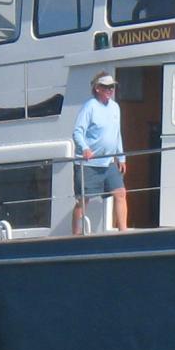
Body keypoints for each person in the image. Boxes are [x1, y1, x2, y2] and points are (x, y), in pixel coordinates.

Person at [68, 71, 126, 233]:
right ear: (98, 88)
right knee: (83, 201)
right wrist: (85, 149)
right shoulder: (90, 107)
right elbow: (77, 132)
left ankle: (123, 233)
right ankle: (76, 235)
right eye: (106, 87)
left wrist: (121, 157)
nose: (110, 90)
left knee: (120, 193)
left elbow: (117, 134)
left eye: (112, 87)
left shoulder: (115, 107)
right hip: (89, 163)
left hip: (108, 162)